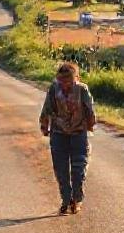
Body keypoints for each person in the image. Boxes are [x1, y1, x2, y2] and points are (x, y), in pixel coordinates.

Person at [39, 62, 96, 215]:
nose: (65, 85)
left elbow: (90, 110)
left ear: (76, 79)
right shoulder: (53, 89)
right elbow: (47, 108)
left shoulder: (82, 90)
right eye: (61, 81)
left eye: (68, 82)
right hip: (59, 134)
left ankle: (77, 200)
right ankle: (66, 200)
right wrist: (44, 126)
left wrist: (90, 125)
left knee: (79, 170)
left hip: (78, 134)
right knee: (61, 170)